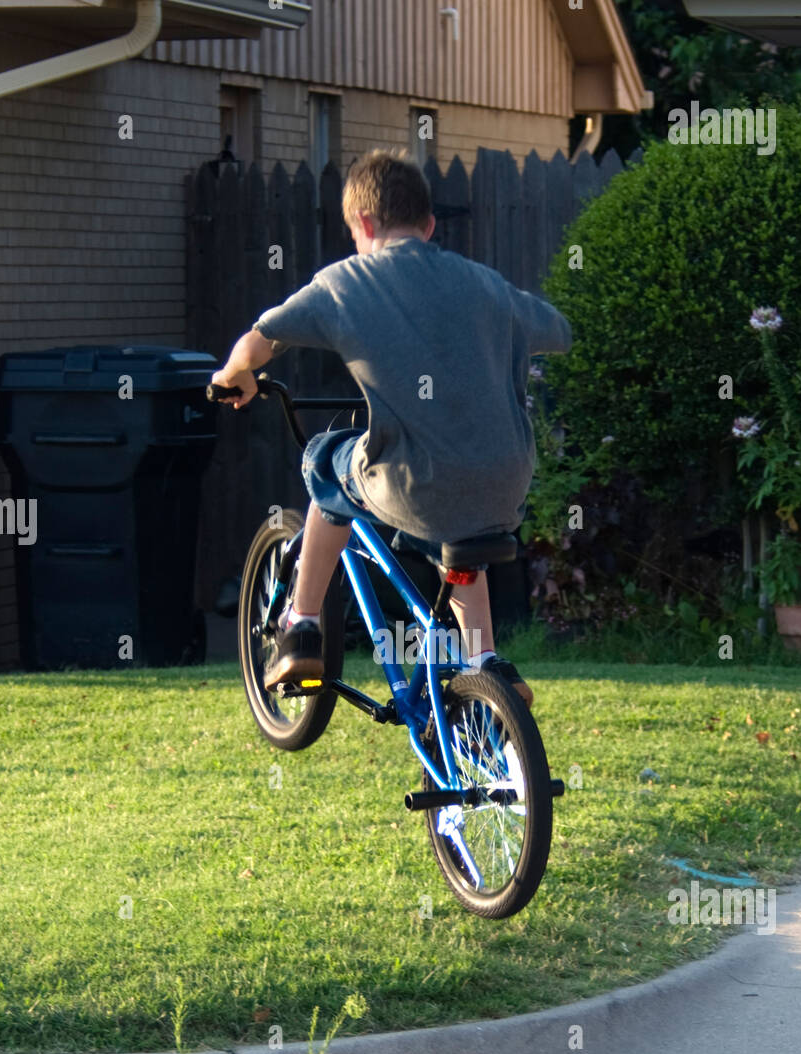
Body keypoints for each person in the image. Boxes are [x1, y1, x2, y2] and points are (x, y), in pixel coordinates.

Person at [211, 148, 572, 708]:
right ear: (428, 226)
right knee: (461, 538)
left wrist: (236, 374)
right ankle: (485, 666)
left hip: (411, 483)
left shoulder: (347, 280)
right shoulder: (484, 282)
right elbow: (558, 330)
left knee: (324, 461)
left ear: (365, 224)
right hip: (506, 483)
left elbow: (264, 337)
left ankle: (302, 624)